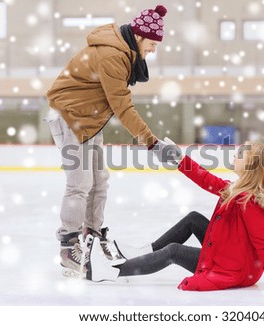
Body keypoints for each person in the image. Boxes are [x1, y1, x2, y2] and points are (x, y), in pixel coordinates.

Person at [44, 5, 178, 279]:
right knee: (79, 183)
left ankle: (90, 237)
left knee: (99, 181)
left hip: (88, 118)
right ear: (139, 37)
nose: (152, 51)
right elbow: (123, 108)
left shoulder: (122, 51)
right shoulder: (112, 56)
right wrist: (152, 144)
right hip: (69, 116)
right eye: (152, 44)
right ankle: (69, 247)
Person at [87, 140, 264, 293]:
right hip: (233, 257)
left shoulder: (250, 203)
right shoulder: (236, 191)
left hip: (233, 269)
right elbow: (206, 179)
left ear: (251, 168)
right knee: (194, 219)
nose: (235, 154)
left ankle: (113, 271)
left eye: (241, 154)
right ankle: (143, 252)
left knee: (173, 251)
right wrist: (180, 159)